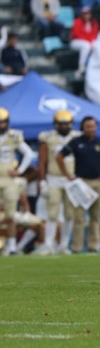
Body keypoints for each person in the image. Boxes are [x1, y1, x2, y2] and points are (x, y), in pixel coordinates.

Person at [57, 116, 100, 254]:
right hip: (81, 183)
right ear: (82, 128)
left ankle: (93, 245)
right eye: (87, 126)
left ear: (96, 127)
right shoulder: (76, 142)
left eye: (92, 126)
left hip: (98, 181)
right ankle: (77, 247)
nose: (90, 129)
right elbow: (59, 156)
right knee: (79, 217)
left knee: (95, 216)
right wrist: (67, 174)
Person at [37, 110, 80, 254]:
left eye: (66, 123)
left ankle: (63, 244)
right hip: (53, 178)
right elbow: (42, 161)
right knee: (53, 212)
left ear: (71, 124)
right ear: (56, 124)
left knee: (69, 214)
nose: (64, 126)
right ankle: (49, 244)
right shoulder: (48, 137)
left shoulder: (77, 137)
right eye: (61, 124)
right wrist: (42, 180)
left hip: (71, 179)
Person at [0, 109, 34, 256]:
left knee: (11, 213)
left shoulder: (13, 136)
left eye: (3, 122)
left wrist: (20, 170)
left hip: (8, 178)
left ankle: (12, 246)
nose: (1, 125)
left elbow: (28, 153)